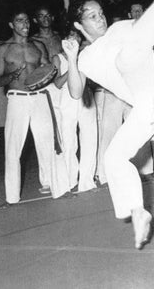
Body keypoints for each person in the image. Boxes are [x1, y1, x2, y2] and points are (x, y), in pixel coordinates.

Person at [63, 0, 154, 249]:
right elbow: (75, 92)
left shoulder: (120, 29)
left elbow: (148, 30)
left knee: (132, 49)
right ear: (78, 26)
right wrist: (71, 58)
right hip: (147, 108)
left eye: (101, 13)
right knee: (112, 159)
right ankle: (137, 212)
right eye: (92, 17)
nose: (100, 19)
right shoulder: (85, 58)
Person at [0, 11, 69, 205]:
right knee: (13, 147)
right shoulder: (3, 49)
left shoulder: (37, 45)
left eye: (26, 20)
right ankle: (11, 197)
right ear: (11, 24)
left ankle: (57, 188)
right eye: (19, 20)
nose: (25, 24)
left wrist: (55, 67)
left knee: (48, 143)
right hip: (17, 100)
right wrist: (10, 77)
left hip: (40, 97)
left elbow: (48, 71)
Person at [51, 30, 98, 192]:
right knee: (69, 142)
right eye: (71, 37)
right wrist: (72, 65)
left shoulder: (85, 56)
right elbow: (56, 84)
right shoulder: (58, 58)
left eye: (78, 38)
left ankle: (87, 181)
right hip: (66, 99)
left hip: (86, 96)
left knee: (90, 139)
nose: (75, 41)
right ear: (65, 40)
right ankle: (70, 181)